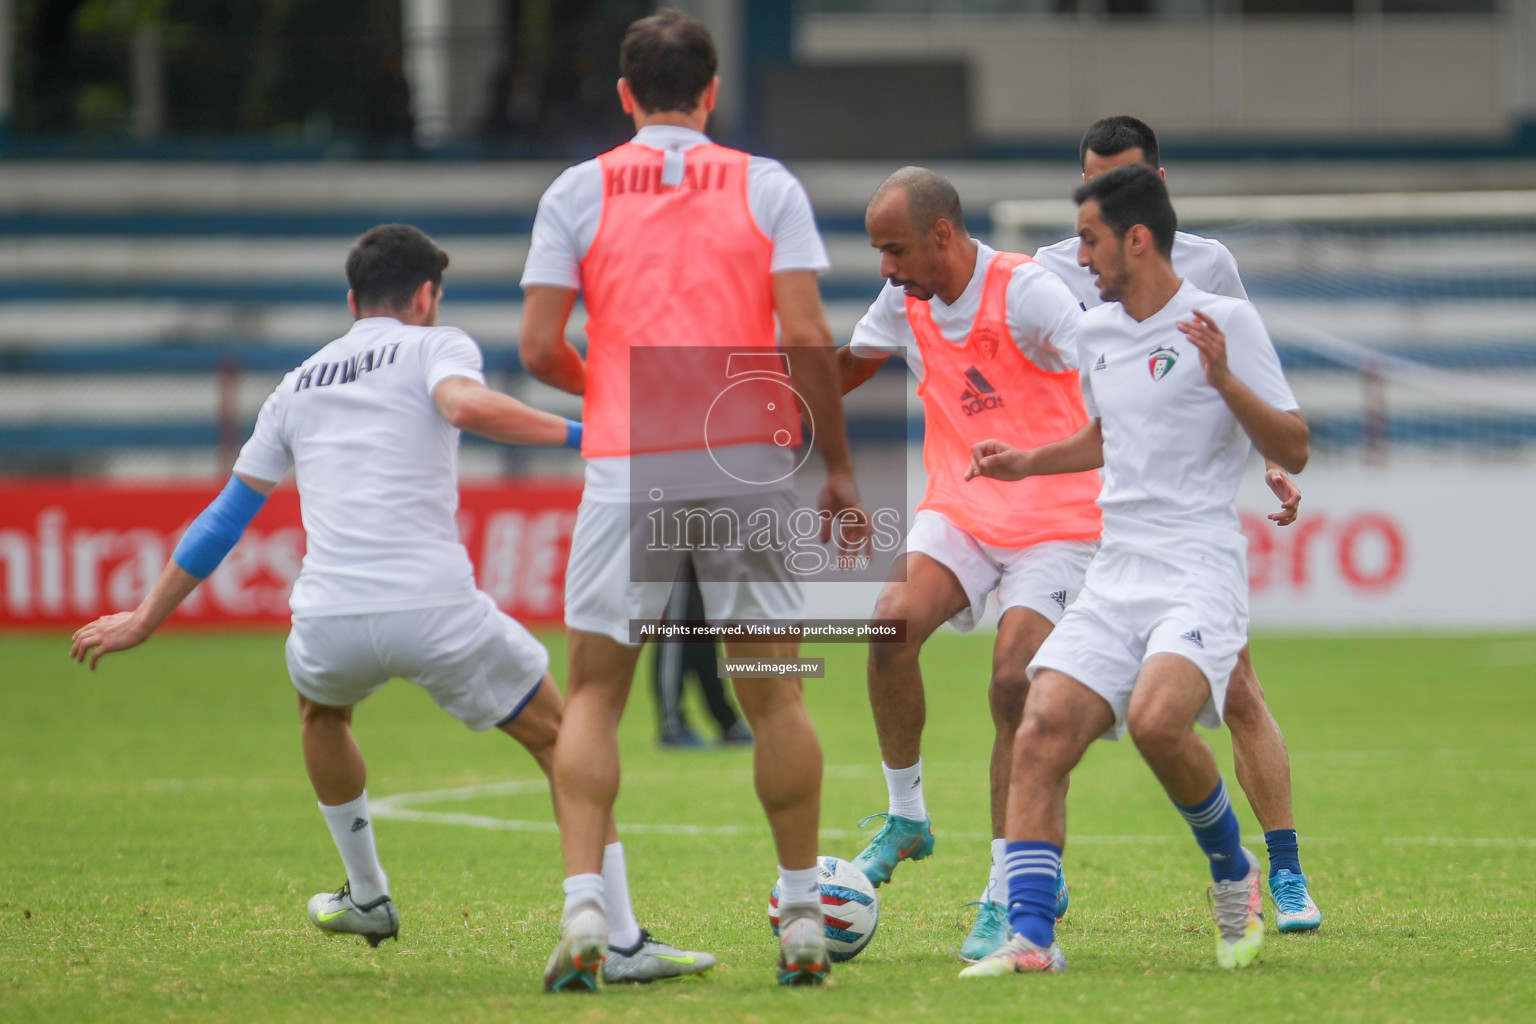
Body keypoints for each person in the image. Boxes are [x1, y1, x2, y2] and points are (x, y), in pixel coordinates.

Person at [68, 224, 714, 986]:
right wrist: (591, 434)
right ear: (425, 296)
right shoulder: (434, 346)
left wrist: (145, 616)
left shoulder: (297, 383)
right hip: (435, 608)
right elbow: (467, 409)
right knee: (567, 739)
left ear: (351, 300)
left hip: (329, 619)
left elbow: (225, 517)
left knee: (321, 713)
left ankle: (368, 895)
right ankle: (620, 934)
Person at [517, 10, 866, 989]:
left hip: (631, 460)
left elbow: (540, 347)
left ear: (625, 94)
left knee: (593, 692)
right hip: (746, 453)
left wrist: (625, 394)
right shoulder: (768, 185)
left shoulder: (576, 190)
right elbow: (804, 334)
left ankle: (586, 901)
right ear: (712, 92)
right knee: (775, 694)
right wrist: (836, 466)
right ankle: (802, 917)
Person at [959, 164, 1309, 977]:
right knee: (1041, 729)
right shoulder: (1100, 335)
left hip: (1197, 564)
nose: (1081, 257)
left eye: (1089, 239)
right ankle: (1033, 943)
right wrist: (1028, 462)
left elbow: (1292, 444)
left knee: (1158, 722)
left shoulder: (1225, 323)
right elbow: (1111, 434)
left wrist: (1224, 379)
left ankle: (1235, 871)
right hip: (1117, 567)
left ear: (1136, 239)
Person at [1033, 115, 1322, 933]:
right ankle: (1024, 894)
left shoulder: (1209, 267)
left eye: (1117, 178)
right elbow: (1099, 414)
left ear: (1152, 193)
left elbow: (1244, 383)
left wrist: (1267, 458)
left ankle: (1285, 873)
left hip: (1192, 524)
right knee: (1048, 712)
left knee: (1239, 693)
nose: (1088, 226)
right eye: (1089, 179)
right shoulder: (1064, 269)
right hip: (1119, 522)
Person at [836, 168, 1098, 962]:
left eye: (895, 249)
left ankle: (1002, 885)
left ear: (942, 236)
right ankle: (907, 816)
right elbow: (849, 364)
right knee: (887, 629)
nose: (886, 267)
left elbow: (1106, 370)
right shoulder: (906, 299)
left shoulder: (1030, 292)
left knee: (1013, 682)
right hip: (962, 509)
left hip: (1057, 518)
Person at [653, 559, 753, 748]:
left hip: (706, 557)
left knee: (704, 638)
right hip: (679, 551)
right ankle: (672, 726)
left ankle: (727, 722)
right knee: (676, 632)